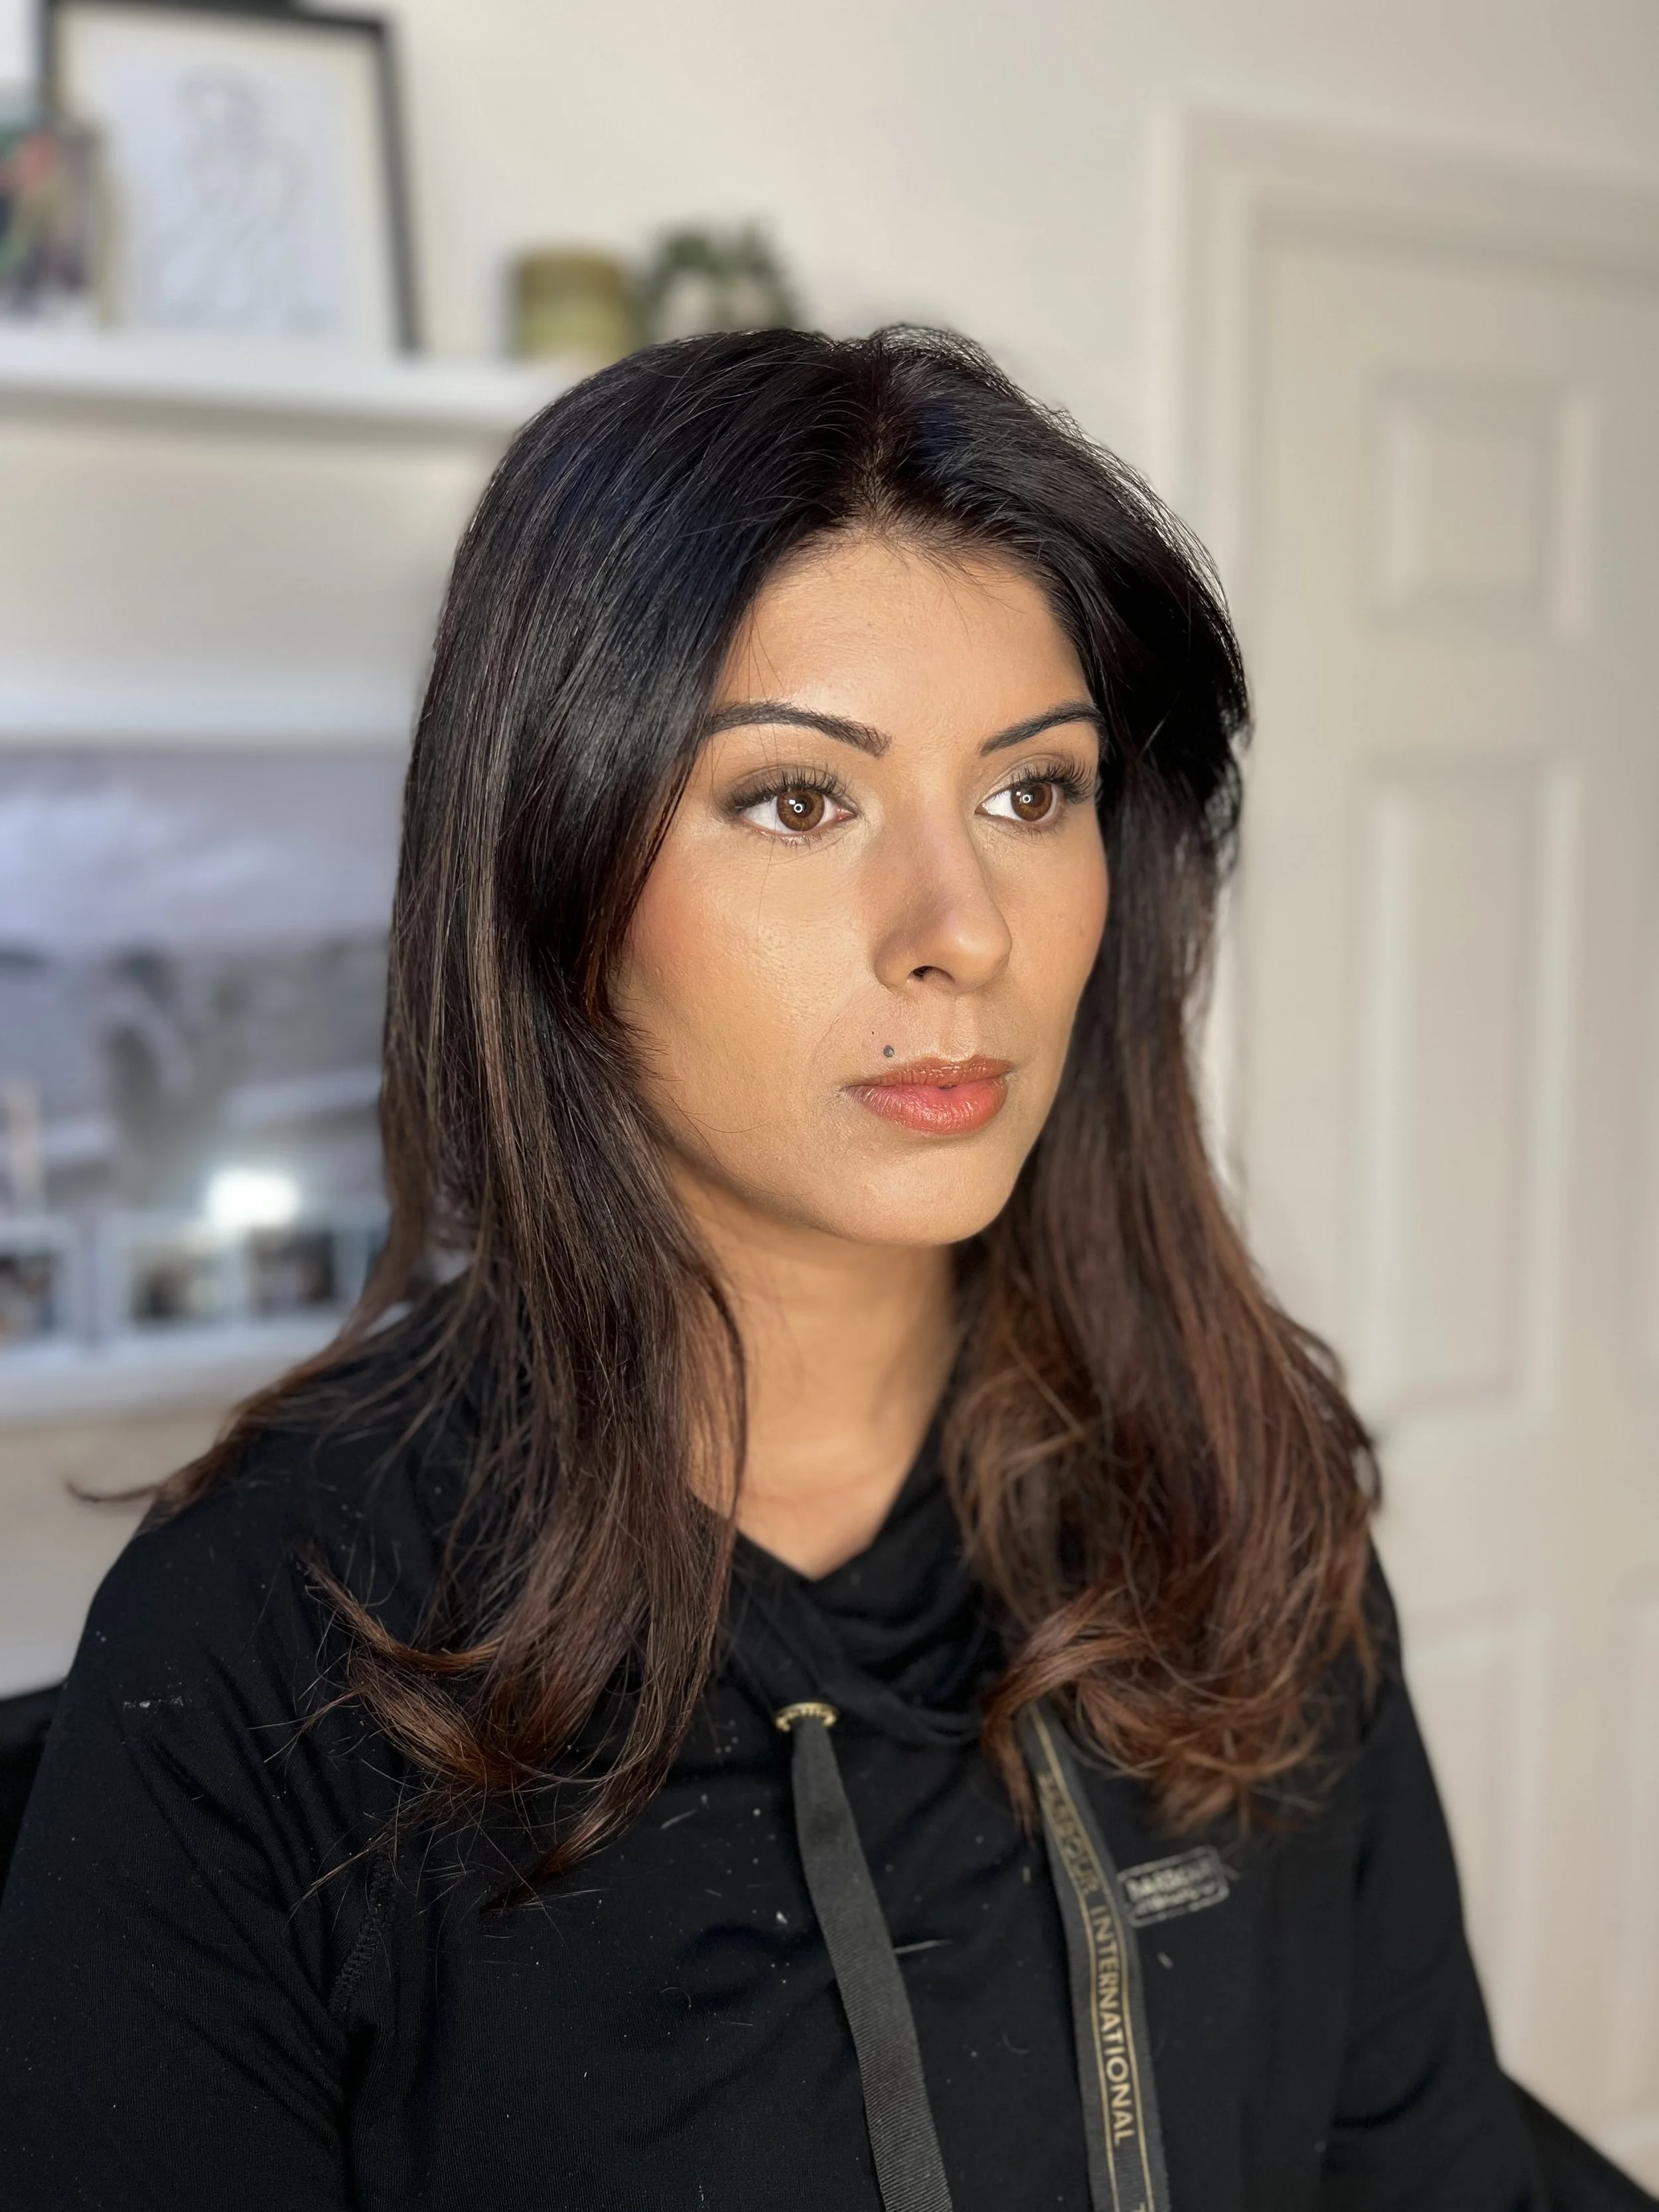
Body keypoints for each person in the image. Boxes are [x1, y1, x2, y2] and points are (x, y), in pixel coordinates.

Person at [0, 328, 1548, 2211]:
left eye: (1029, 793)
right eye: (798, 800)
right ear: (555, 877)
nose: (955, 929)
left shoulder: (1231, 1496)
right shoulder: (258, 1646)